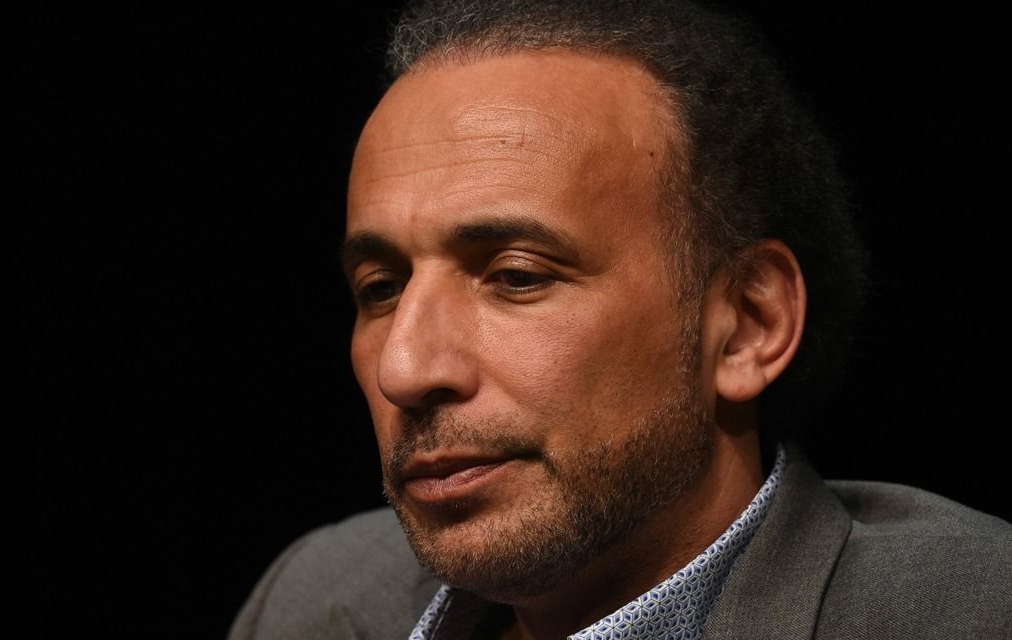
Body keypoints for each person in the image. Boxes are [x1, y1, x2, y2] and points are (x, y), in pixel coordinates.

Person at [229, 1, 1012, 638]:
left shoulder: (976, 612)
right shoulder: (312, 602)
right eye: (380, 289)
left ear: (747, 325)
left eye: (516, 276)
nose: (403, 368)